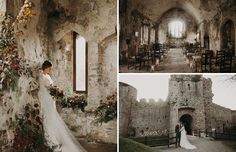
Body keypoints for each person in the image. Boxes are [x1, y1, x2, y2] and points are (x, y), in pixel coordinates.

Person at [38, 60, 86, 152]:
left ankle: (53, 137)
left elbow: (51, 86)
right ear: (46, 68)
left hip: (49, 98)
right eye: (50, 68)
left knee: (51, 117)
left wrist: (57, 90)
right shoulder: (44, 77)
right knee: (49, 117)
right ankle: (51, 139)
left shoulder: (45, 76)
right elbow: (50, 86)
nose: (50, 70)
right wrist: (59, 90)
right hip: (46, 99)